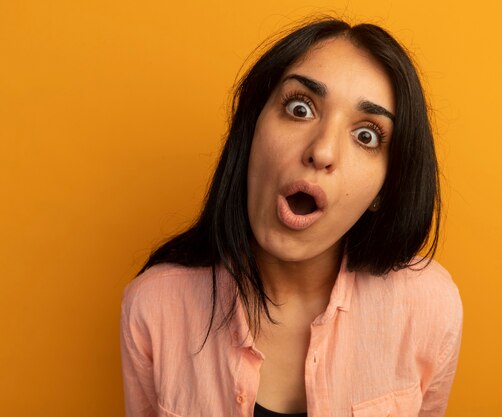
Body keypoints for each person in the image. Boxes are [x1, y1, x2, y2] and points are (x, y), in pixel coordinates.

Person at [120, 17, 462, 417]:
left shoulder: (430, 309)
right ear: (250, 132)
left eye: (366, 135)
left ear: (384, 190)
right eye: (300, 108)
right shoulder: (153, 307)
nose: (323, 151)